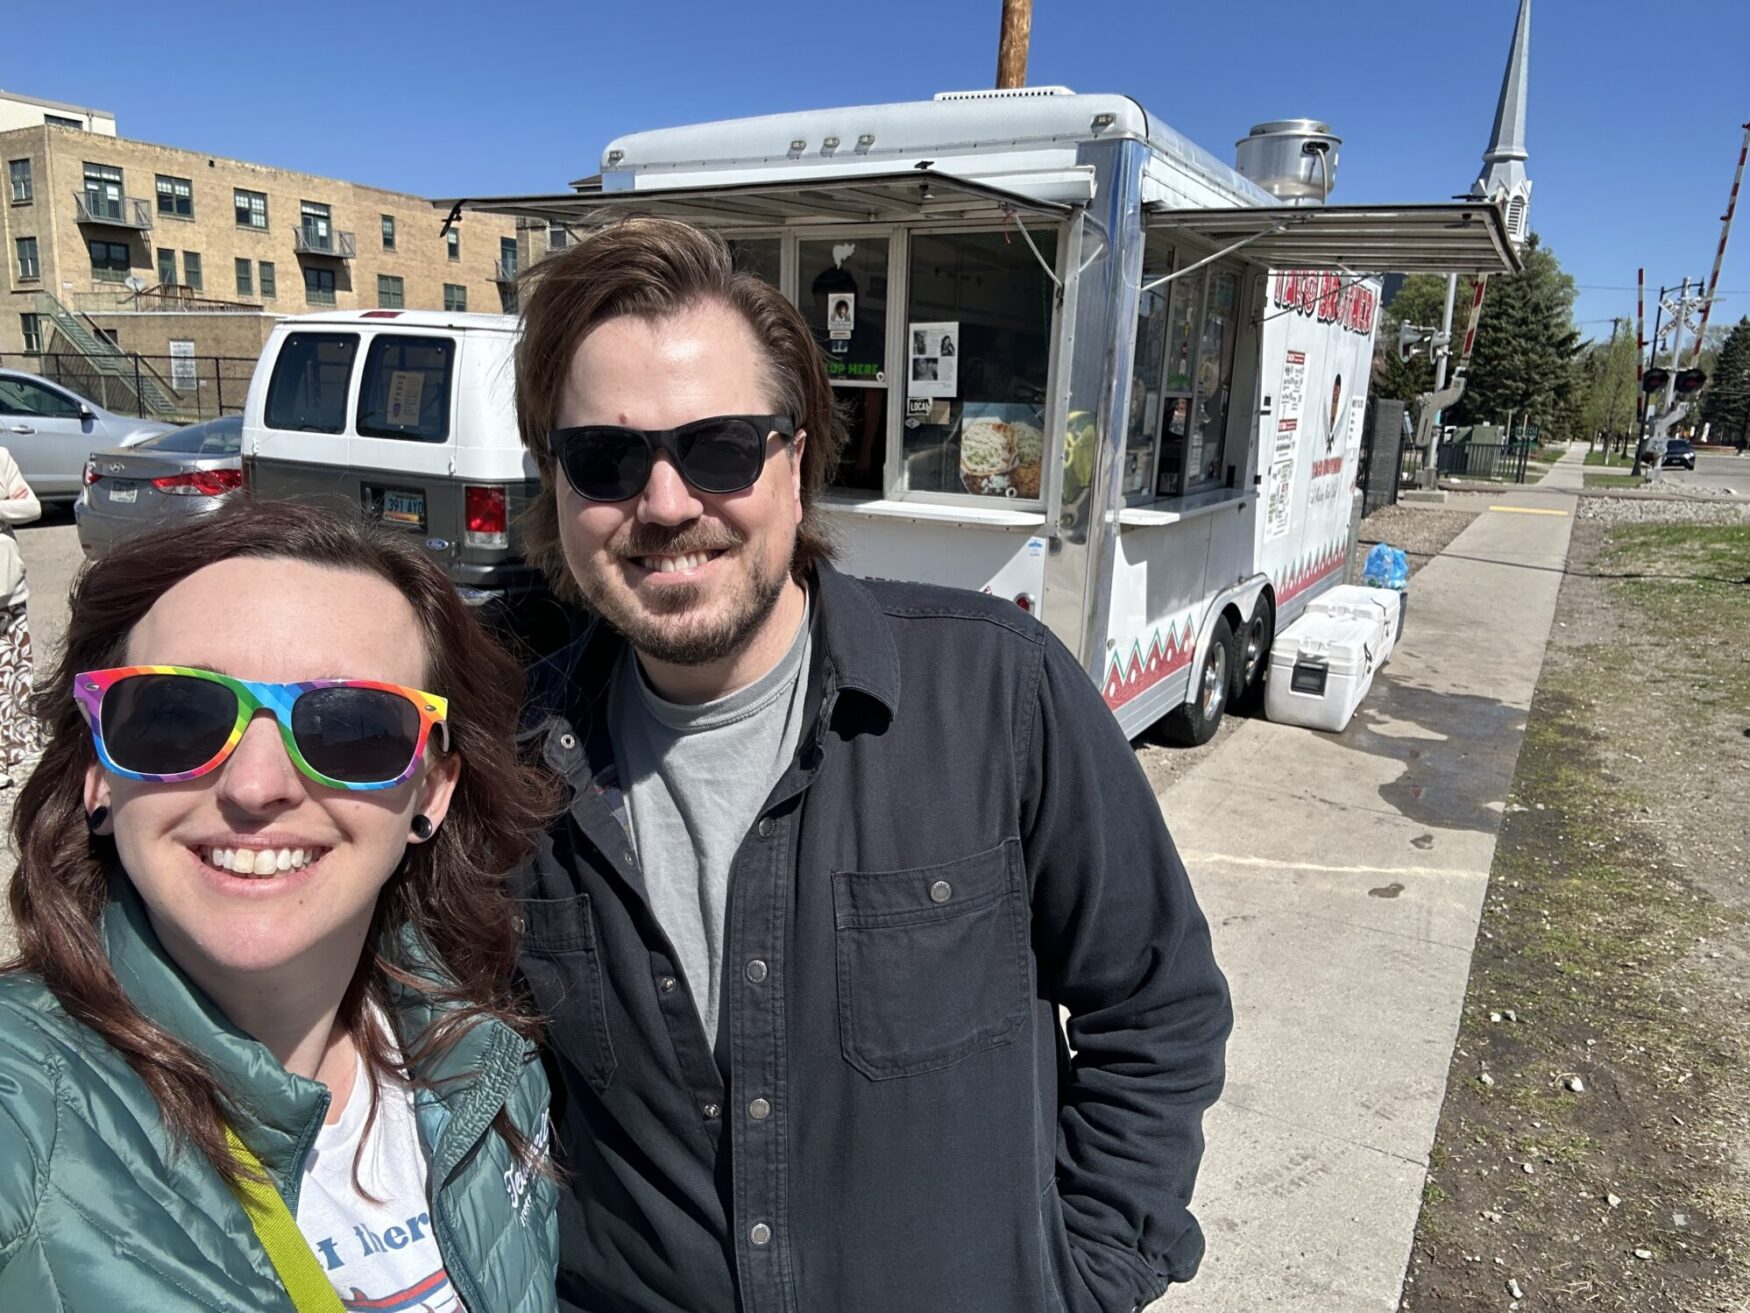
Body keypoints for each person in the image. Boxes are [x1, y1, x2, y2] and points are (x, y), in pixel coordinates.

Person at [513, 215, 1231, 1313]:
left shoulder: (999, 693)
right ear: (553, 487)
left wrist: (1088, 1276)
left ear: (795, 465)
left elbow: (1155, 1004)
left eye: (718, 448)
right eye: (605, 458)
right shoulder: (513, 763)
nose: (665, 503)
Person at [0, 501, 558, 1311]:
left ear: (431, 790)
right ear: (97, 771)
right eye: (176, 716)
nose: (256, 786)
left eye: (353, 727)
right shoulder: (22, 1108)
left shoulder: (488, 1059)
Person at [0, 444, 42, 788]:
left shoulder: (1, 458)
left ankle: (15, 745)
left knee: (13, 672)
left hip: (7, 589)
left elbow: (31, 506)